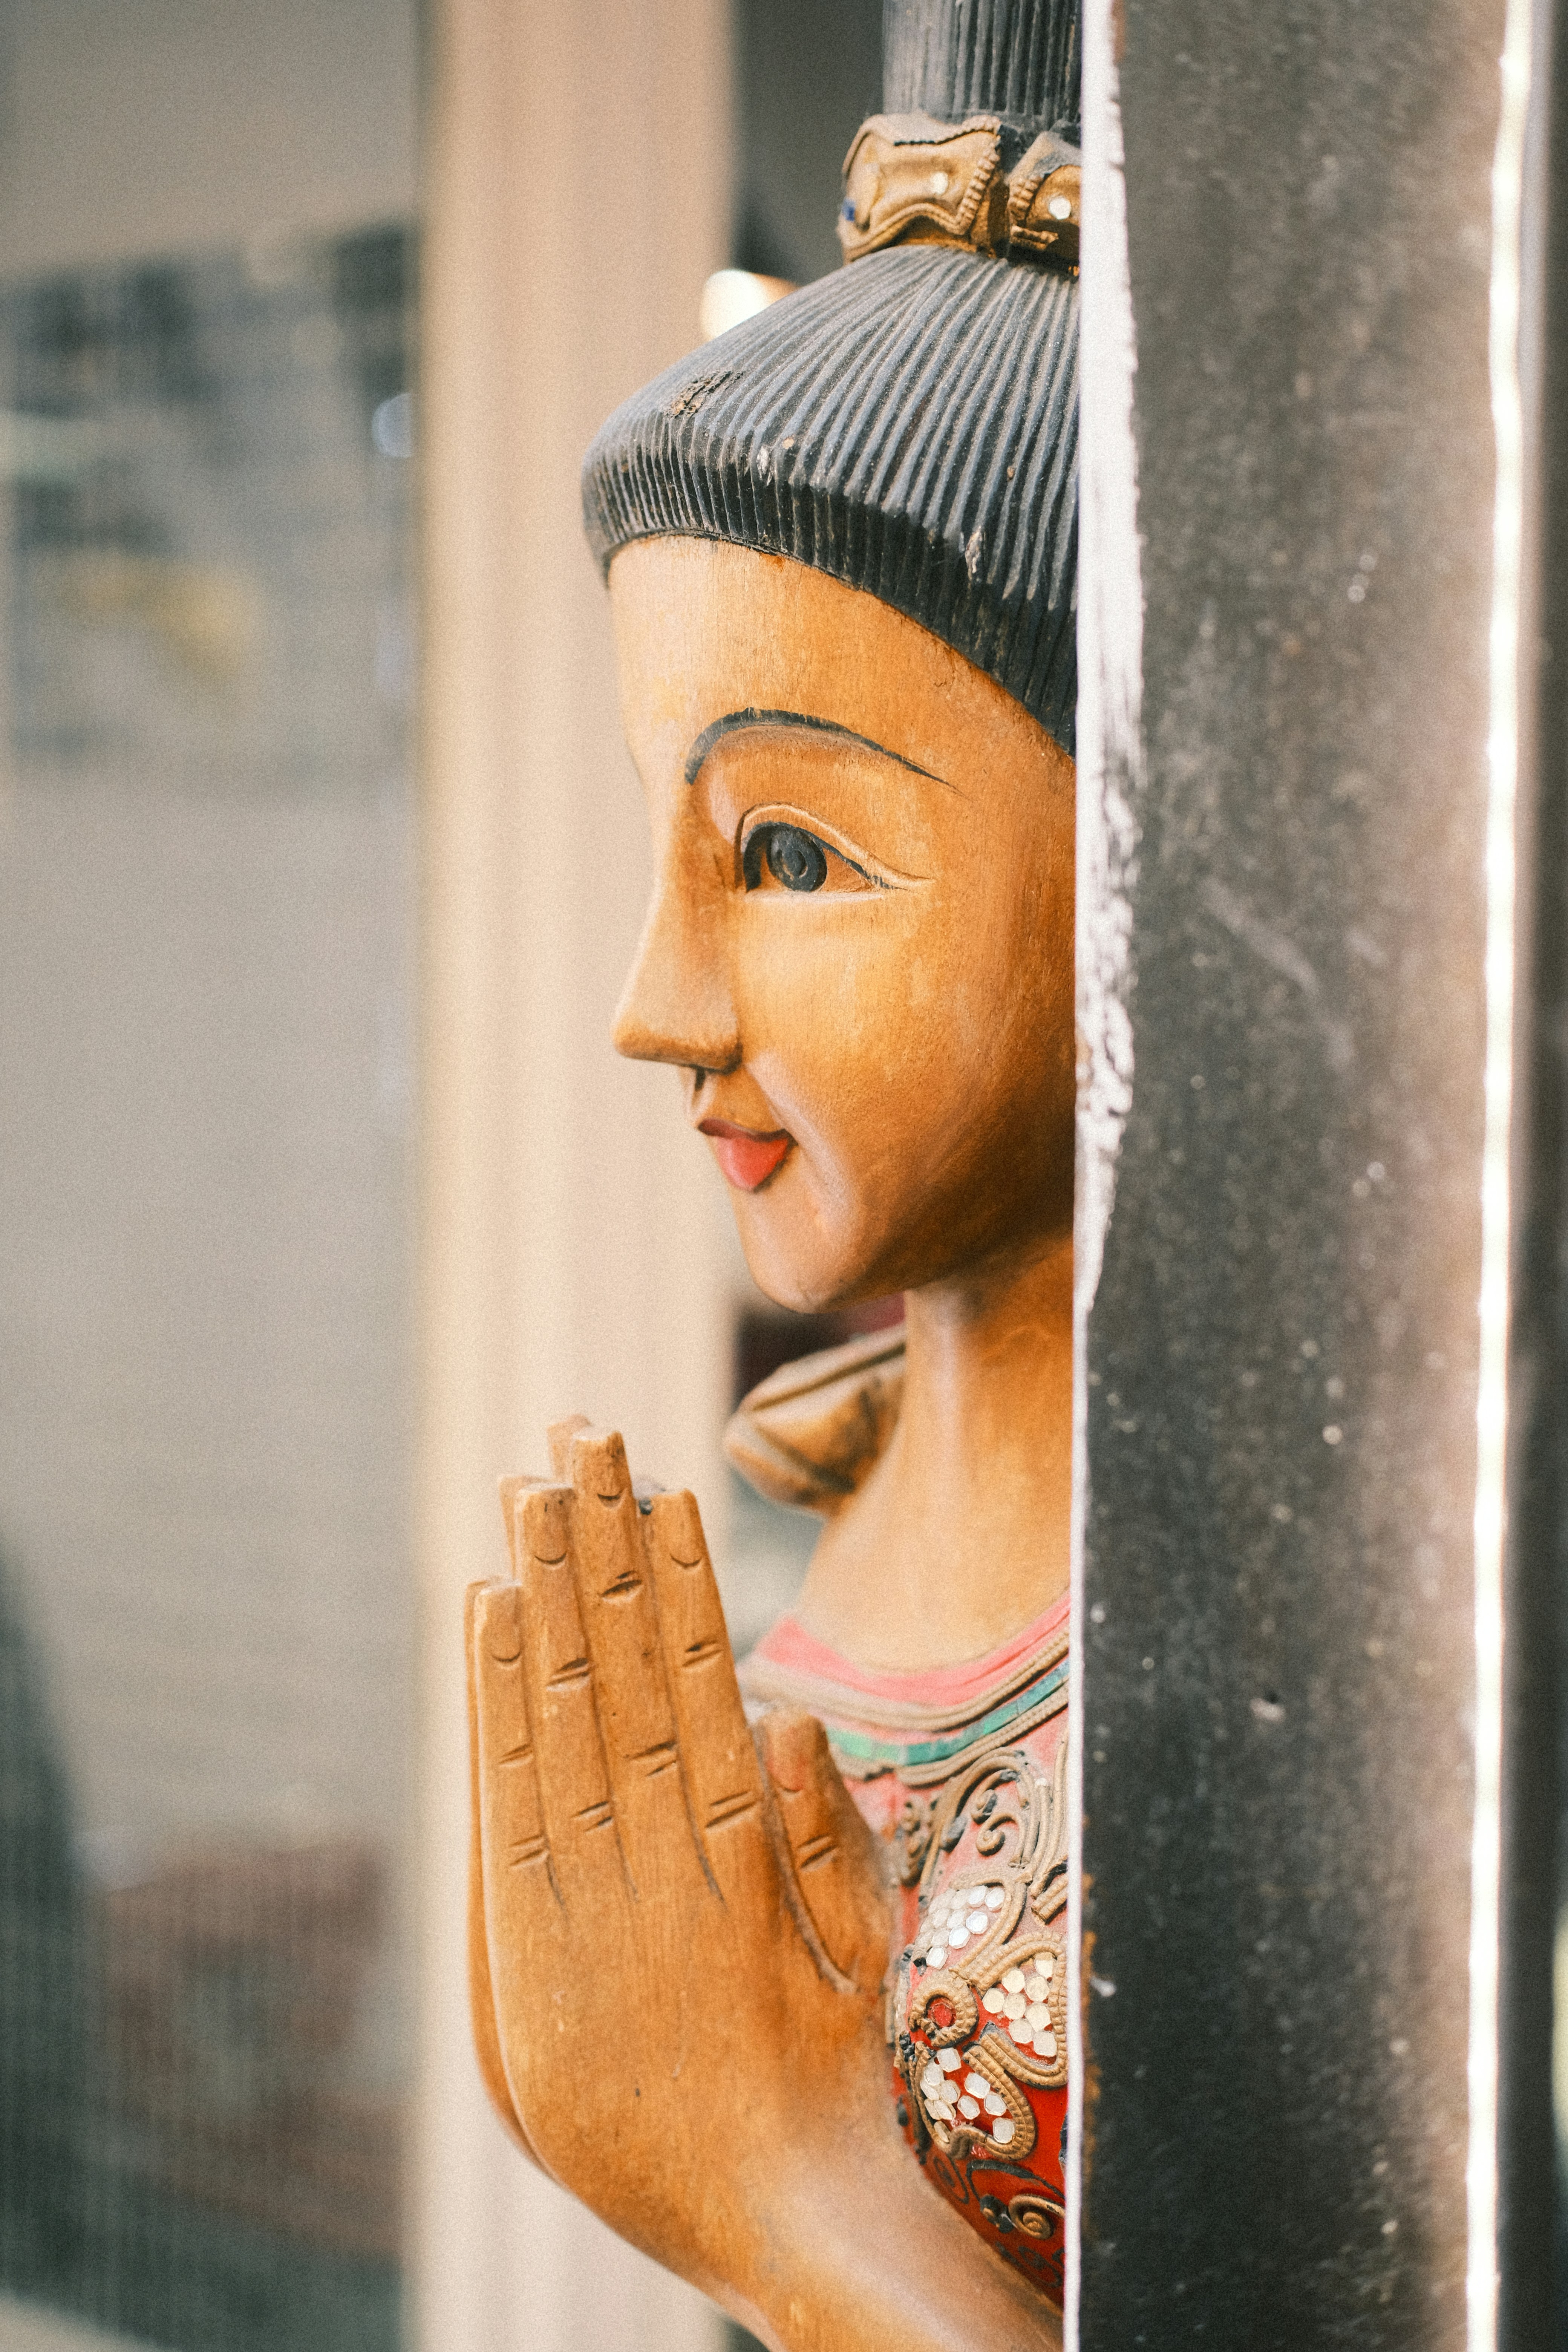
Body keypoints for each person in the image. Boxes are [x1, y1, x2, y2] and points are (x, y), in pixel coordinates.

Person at [468, 2, 1080, 2340]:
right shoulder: (839, 1482)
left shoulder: (1330, 1630)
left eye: (795, 851)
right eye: (673, 847)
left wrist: (773, 2189)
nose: (655, 1001)